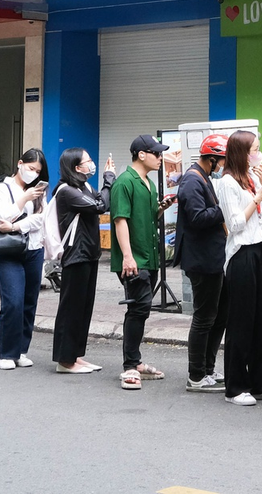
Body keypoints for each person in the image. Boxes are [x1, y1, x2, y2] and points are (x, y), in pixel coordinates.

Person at [216, 130, 262, 405]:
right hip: (241, 253)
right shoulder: (227, 183)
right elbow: (234, 224)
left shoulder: (254, 177)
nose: (258, 152)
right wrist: (256, 199)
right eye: (254, 148)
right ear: (241, 153)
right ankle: (235, 386)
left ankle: (259, 382)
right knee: (241, 321)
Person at [111, 134, 171, 383]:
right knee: (137, 309)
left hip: (150, 256)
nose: (160, 158)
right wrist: (127, 256)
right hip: (134, 258)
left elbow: (146, 217)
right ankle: (129, 366)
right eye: (156, 153)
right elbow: (120, 220)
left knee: (142, 309)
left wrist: (161, 208)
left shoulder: (149, 184)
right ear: (141, 154)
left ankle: (135, 360)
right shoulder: (124, 182)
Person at [176, 133, 230, 393]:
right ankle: (196, 375)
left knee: (217, 316)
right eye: (221, 160)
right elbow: (197, 218)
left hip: (212, 259)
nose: (223, 164)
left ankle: (208, 369)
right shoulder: (191, 181)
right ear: (212, 159)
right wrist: (226, 208)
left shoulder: (203, 178)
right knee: (204, 318)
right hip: (202, 261)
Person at [0, 148, 49, 370]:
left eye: (38, 171)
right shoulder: (2, 189)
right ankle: (6, 352)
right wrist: (22, 200)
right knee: (13, 301)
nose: (33, 173)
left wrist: (15, 226)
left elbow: (41, 219)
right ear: (20, 163)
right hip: (8, 251)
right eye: (31, 168)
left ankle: (22, 350)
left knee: (29, 302)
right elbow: (0, 219)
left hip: (34, 248)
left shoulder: (39, 190)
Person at [51, 148, 108, 375]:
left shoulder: (84, 188)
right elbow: (100, 206)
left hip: (89, 254)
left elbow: (103, 203)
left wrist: (104, 188)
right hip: (75, 255)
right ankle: (65, 360)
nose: (92, 164)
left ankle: (75, 355)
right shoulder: (66, 191)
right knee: (71, 308)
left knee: (84, 308)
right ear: (76, 167)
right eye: (88, 161)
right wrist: (109, 181)